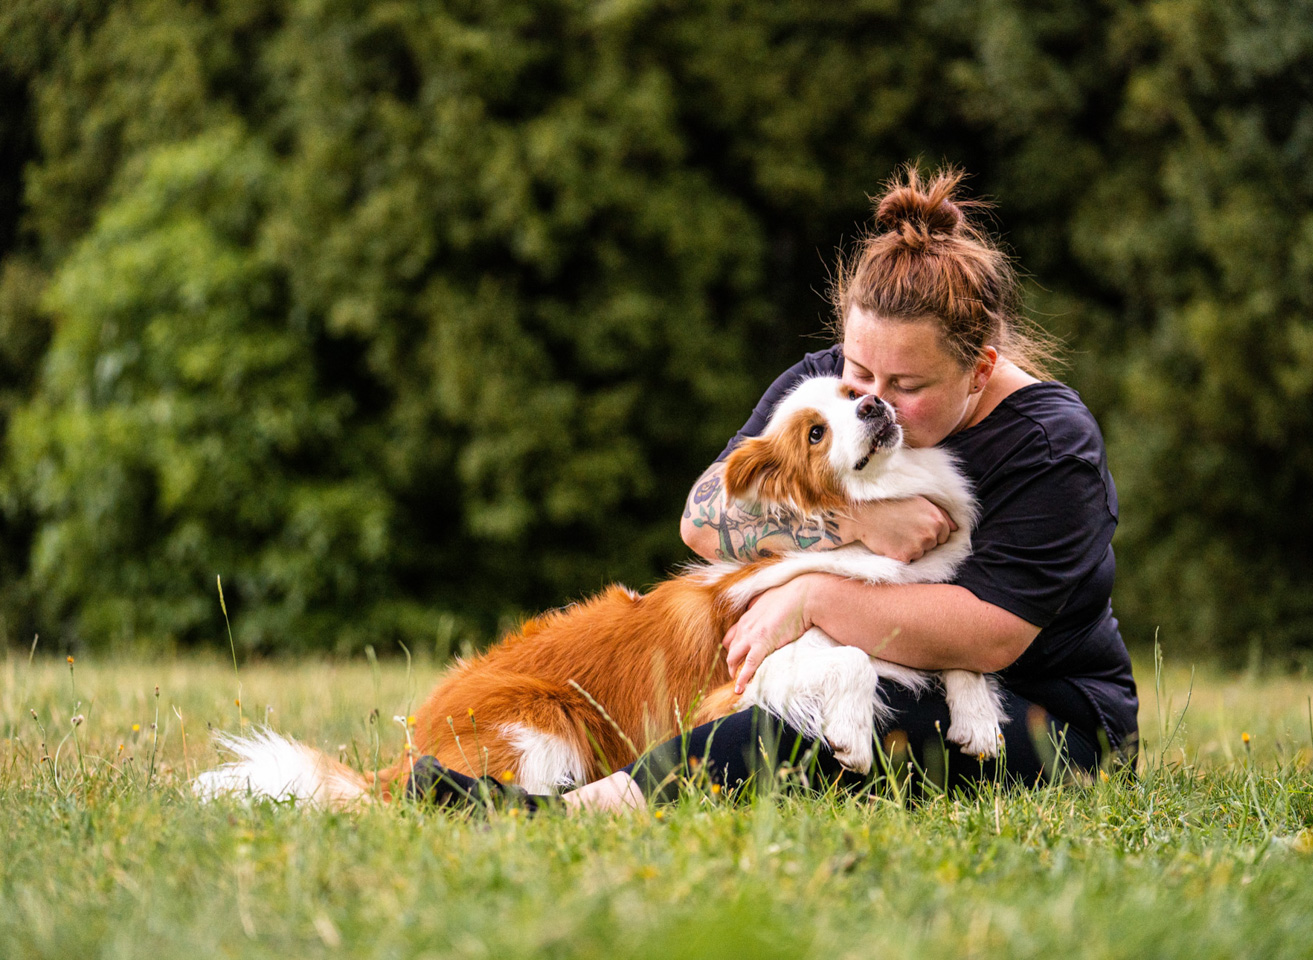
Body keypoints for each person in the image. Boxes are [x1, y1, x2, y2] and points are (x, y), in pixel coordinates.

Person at [411, 164, 1138, 813]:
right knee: (824, 699)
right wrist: (856, 525)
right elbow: (704, 518)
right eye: (860, 372)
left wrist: (813, 596)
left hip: (1048, 712)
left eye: (906, 385)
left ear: (980, 369)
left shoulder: (1049, 444)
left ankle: (580, 811)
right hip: (897, 672)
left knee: (832, 713)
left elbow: (993, 634)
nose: (871, 400)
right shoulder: (829, 386)